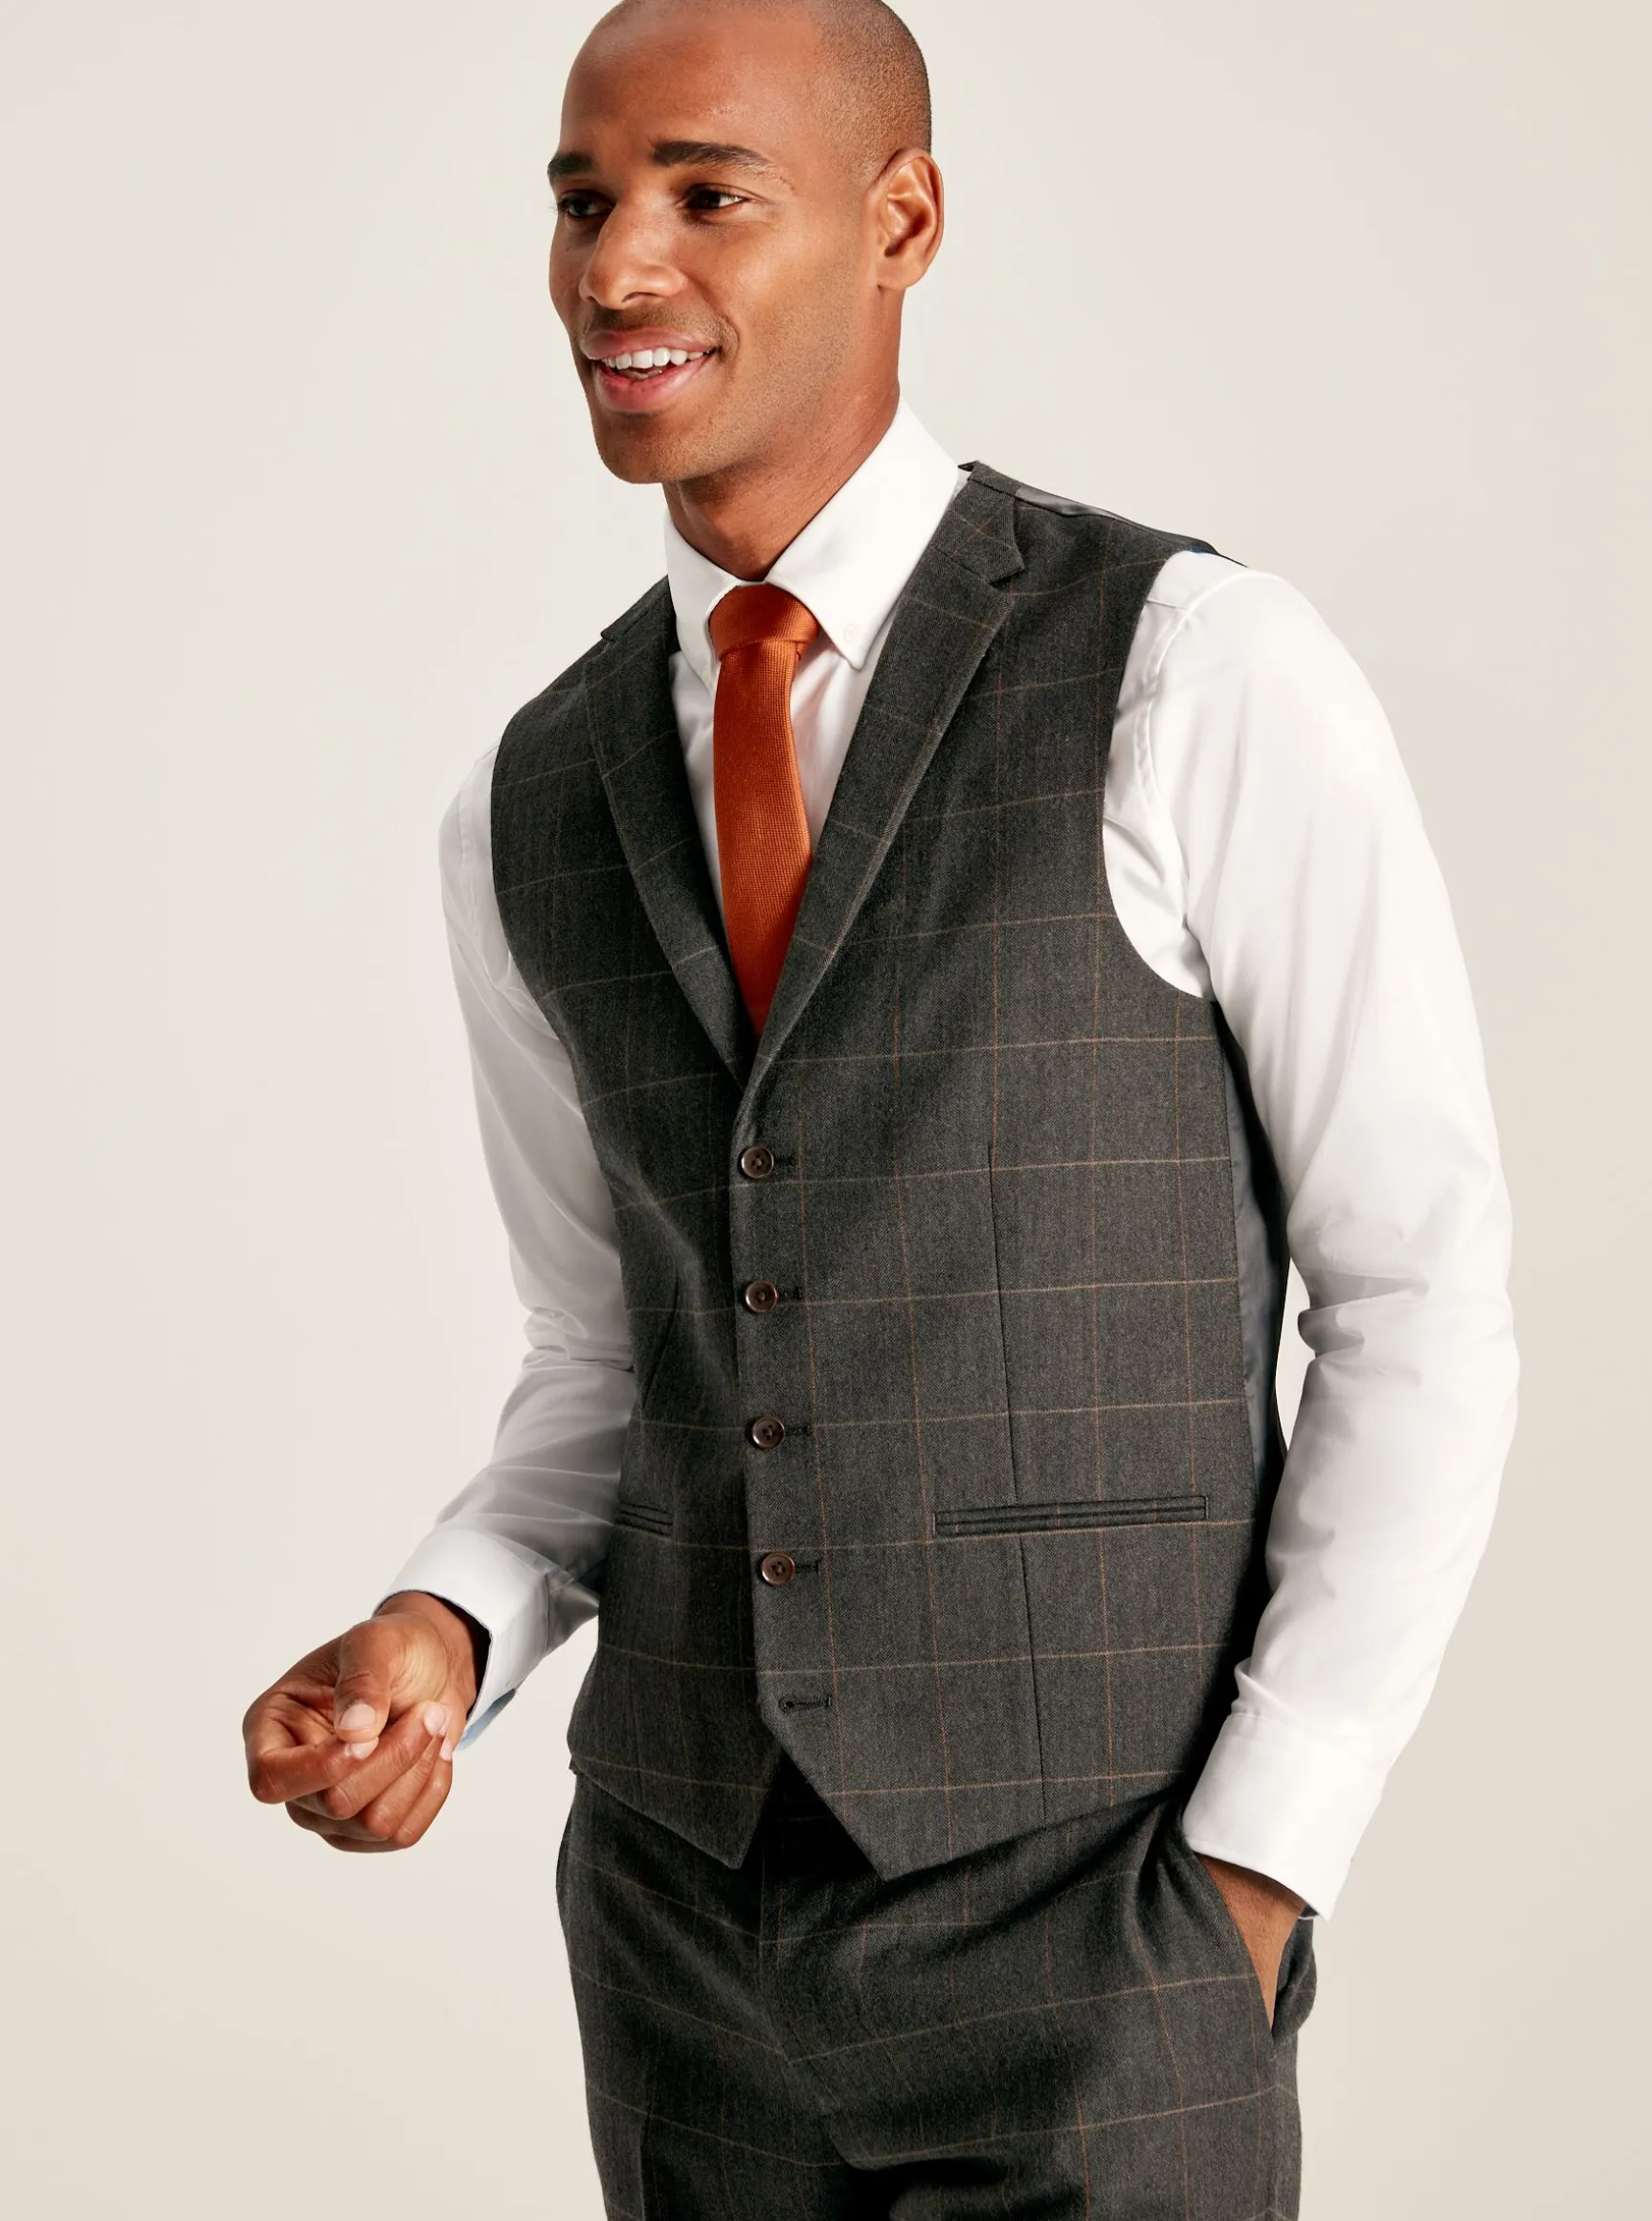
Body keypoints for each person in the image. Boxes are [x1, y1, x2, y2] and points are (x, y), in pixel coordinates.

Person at [241, 1, 1518, 2210]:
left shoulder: (1192, 666)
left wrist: (1252, 1875)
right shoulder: (524, 799)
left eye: (706, 193)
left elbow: (1422, 1297)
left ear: (902, 218)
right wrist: (445, 1627)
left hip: (1103, 1933)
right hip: (681, 1957)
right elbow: (616, 1357)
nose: (616, 264)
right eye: (580, 199)